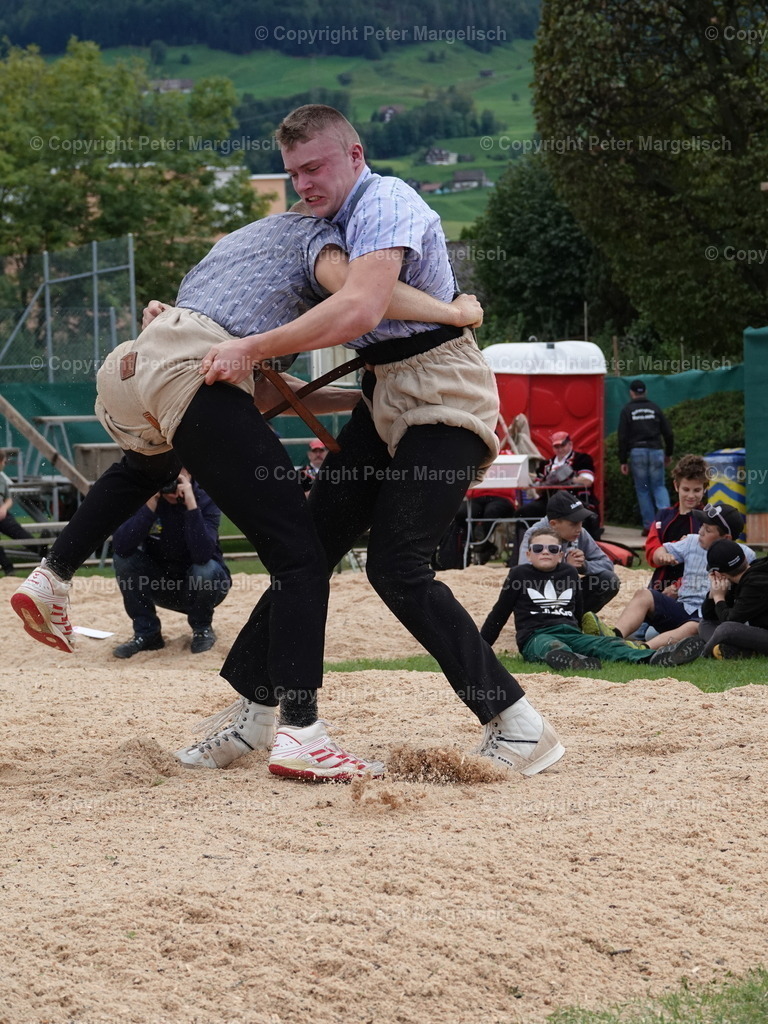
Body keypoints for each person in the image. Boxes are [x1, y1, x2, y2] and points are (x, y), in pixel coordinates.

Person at [11, 208, 482, 780]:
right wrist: (453, 310)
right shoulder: (322, 239)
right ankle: (303, 733)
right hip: (192, 371)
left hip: (131, 369)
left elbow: (243, 403)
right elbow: (367, 299)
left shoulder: (236, 242)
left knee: (144, 469)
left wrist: (364, 401)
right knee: (301, 557)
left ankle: (54, 572)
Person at [185, 103, 566, 779]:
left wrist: (248, 349)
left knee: (397, 565)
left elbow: (360, 308)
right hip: (384, 394)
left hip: (444, 394)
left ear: (354, 156)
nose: (303, 182)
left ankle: (518, 723)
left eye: (315, 166)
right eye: (293, 172)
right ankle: (254, 719)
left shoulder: (387, 200)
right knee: (306, 549)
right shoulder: (323, 225)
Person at [480, 526, 705, 670]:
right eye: (538, 548)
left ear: (561, 554)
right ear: (528, 554)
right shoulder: (519, 574)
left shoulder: (569, 573)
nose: (545, 552)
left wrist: (583, 635)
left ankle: (651, 658)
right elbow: (499, 613)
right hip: (535, 635)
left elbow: (577, 609)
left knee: (606, 644)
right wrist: (480, 646)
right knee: (550, 645)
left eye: (552, 548)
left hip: (570, 632)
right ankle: (571, 659)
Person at [589, 502, 755, 649]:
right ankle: (613, 638)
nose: (701, 531)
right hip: (683, 608)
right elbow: (660, 550)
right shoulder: (691, 541)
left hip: (711, 618)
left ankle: (641, 651)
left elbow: (747, 595)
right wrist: (663, 555)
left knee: (692, 627)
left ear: (726, 538)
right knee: (644, 594)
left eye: (708, 529)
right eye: (702, 525)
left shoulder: (745, 556)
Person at [111, 468, 231, 657]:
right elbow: (121, 547)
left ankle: (202, 629)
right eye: (167, 475)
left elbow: (203, 555)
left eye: (179, 476)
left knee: (204, 570)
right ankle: (147, 633)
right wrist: (150, 504)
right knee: (125, 561)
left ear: (190, 476)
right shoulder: (146, 496)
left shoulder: (205, 498)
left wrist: (191, 505)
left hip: (206, 585)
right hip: (163, 585)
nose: (171, 482)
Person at [517, 492, 620, 615]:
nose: (579, 528)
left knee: (609, 580)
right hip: (540, 599)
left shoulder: (580, 532)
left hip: (566, 593)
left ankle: (575, 622)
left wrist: (583, 566)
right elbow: (524, 575)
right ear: (554, 524)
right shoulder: (535, 535)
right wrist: (565, 566)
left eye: (581, 522)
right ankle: (554, 622)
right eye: (573, 523)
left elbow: (607, 564)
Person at [516, 430, 601, 539]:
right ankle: (526, 546)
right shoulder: (545, 464)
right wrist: (546, 482)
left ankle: (586, 546)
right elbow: (537, 489)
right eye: (556, 447)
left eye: (563, 445)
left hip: (574, 499)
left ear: (570, 444)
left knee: (582, 514)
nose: (560, 449)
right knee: (522, 513)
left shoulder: (582, 459)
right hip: (549, 500)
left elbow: (587, 481)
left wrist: (568, 478)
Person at [644, 453, 708, 592]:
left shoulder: (708, 521)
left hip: (692, 587)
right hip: (660, 582)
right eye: (686, 489)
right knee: (642, 599)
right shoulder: (663, 516)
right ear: (676, 486)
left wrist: (677, 587)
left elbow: (705, 562)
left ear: (705, 489)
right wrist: (661, 555)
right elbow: (651, 548)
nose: (691, 496)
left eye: (696, 490)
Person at [617, 379, 674, 534]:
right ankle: (667, 523)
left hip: (637, 452)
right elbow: (668, 433)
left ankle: (649, 526)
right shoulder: (654, 408)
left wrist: (623, 460)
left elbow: (622, 437)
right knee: (659, 486)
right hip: (656, 451)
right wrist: (668, 453)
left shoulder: (627, 410)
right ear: (645, 392)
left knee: (643, 489)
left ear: (631, 393)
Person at [698, 540, 768, 659]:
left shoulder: (755, 582)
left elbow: (731, 620)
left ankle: (706, 652)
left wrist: (719, 597)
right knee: (705, 623)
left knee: (726, 629)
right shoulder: (749, 574)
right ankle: (735, 651)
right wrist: (712, 595)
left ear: (718, 573)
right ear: (744, 558)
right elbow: (709, 616)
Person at [0, 449, 36, 576]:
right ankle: (8, 569)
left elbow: (9, 499)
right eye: (4, 462)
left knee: (20, 534)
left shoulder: (1, 478)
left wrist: (4, 508)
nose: (4, 464)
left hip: (2, 515)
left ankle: (44, 553)